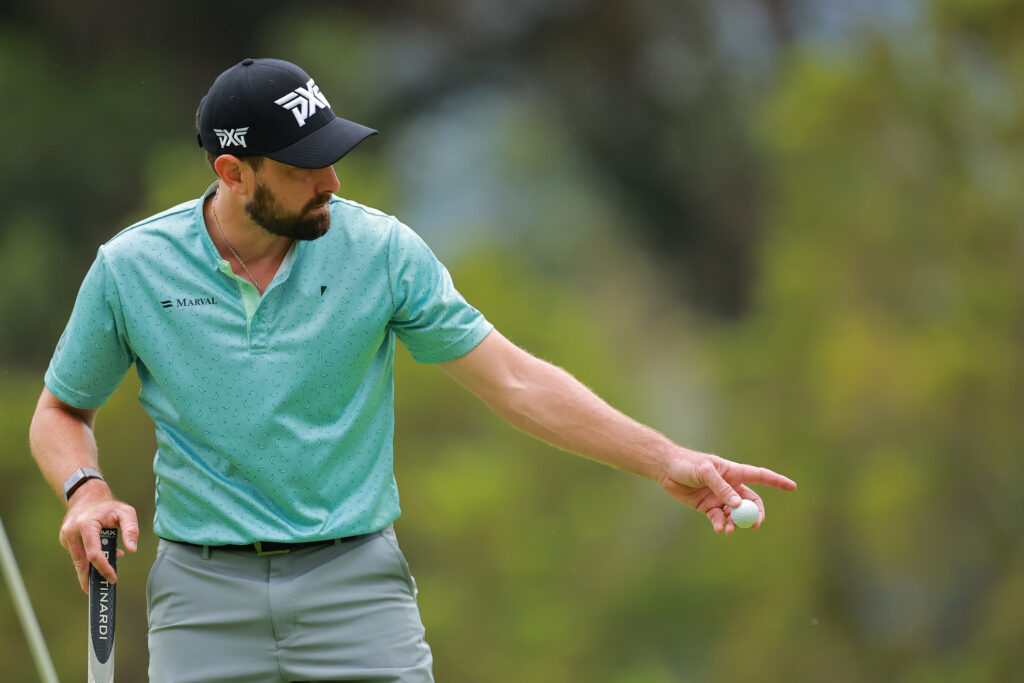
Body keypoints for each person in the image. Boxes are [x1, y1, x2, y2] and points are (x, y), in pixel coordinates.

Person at [29, 58, 797, 683]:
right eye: (303, 166)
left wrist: (667, 458)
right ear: (234, 172)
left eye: (331, 154)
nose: (331, 179)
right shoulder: (131, 269)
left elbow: (516, 379)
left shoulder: (382, 252)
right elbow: (62, 410)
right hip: (203, 599)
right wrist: (83, 488)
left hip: (355, 589)